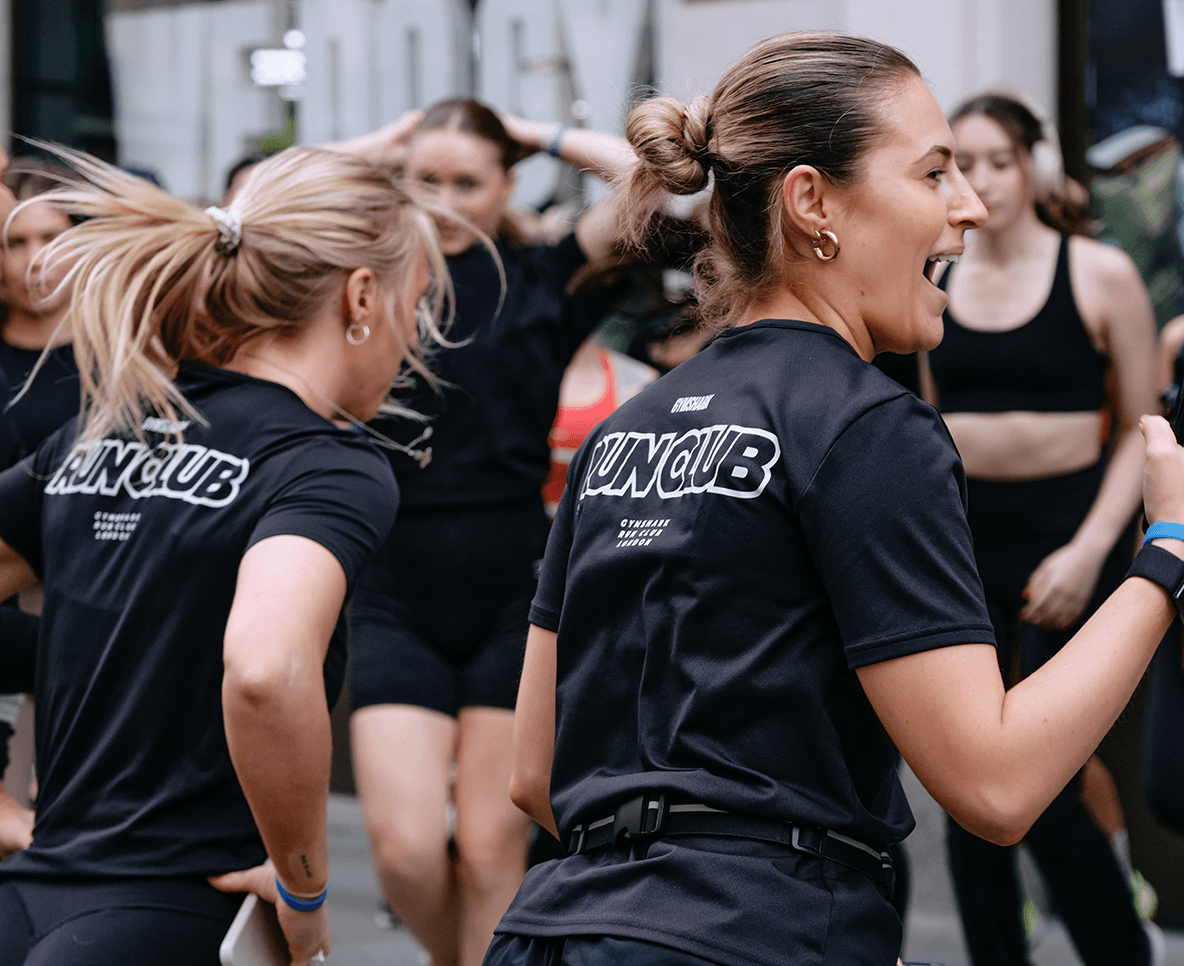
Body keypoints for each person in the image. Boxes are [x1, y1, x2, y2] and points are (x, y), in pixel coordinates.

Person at [486, 31, 1184, 966]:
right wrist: (1165, 552)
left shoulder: (626, 431)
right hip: (754, 935)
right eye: (933, 173)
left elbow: (537, 773)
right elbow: (996, 785)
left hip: (557, 930)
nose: (970, 206)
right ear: (812, 201)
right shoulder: (867, 428)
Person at [0, 142, 449, 966]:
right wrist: (305, 889)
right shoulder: (327, 464)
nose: (410, 342)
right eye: (413, 305)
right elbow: (266, 672)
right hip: (173, 913)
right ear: (360, 296)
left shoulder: (101, 432)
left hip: (26, 900)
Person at [346, 99, 635, 966]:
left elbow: (647, 178)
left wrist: (532, 131)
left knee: (489, 851)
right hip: (393, 583)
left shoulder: (540, 276)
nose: (443, 201)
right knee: (404, 851)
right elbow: (264, 197)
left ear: (506, 184)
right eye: (423, 180)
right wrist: (390, 138)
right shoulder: (365, 278)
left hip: (514, 588)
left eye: (466, 182)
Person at [919, 92, 1160, 965]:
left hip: (1069, 533)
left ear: (1032, 165)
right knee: (962, 776)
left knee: (1045, 777)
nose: (981, 181)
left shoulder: (1099, 273)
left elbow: (1141, 431)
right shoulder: (935, 276)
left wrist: (1092, 550)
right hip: (961, 538)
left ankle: (1119, 951)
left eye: (999, 161)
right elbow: (926, 422)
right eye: (960, 163)